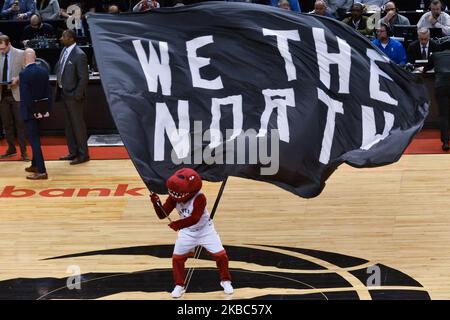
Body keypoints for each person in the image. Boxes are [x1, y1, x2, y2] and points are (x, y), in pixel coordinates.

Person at [150, 168, 233, 298]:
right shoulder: (174, 197)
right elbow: (162, 215)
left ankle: (225, 281)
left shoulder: (200, 197)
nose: (174, 193)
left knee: (221, 256)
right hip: (187, 232)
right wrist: (156, 203)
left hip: (205, 230)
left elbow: (195, 218)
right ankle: (179, 285)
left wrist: (178, 224)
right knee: (177, 259)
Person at [55, 29, 90, 165]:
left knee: (78, 125)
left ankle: (83, 154)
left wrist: (77, 94)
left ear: (71, 39)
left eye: (63, 36)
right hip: (64, 93)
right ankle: (73, 152)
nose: (61, 38)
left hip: (74, 96)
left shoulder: (79, 54)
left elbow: (83, 78)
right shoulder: (64, 51)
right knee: (68, 125)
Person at [19, 48, 52, 180]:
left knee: (34, 141)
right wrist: (46, 110)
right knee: (35, 138)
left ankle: (42, 171)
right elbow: (48, 92)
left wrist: (35, 112)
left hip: (31, 112)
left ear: (24, 59)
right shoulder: (44, 71)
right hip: (42, 112)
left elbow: (26, 97)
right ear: (35, 57)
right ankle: (34, 164)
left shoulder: (24, 74)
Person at [0, 35, 29, 160]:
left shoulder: (21, 54)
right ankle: (11, 149)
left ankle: (24, 152)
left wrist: (18, 78)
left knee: (20, 124)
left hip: (17, 93)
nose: (1, 51)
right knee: (7, 125)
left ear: (9, 44)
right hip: (3, 95)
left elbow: (27, 71)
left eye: (3, 48)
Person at [424, 40, 450, 151]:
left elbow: (426, 69)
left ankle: (445, 142)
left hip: (442, 86)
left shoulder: (435, 55)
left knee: (444, 115)